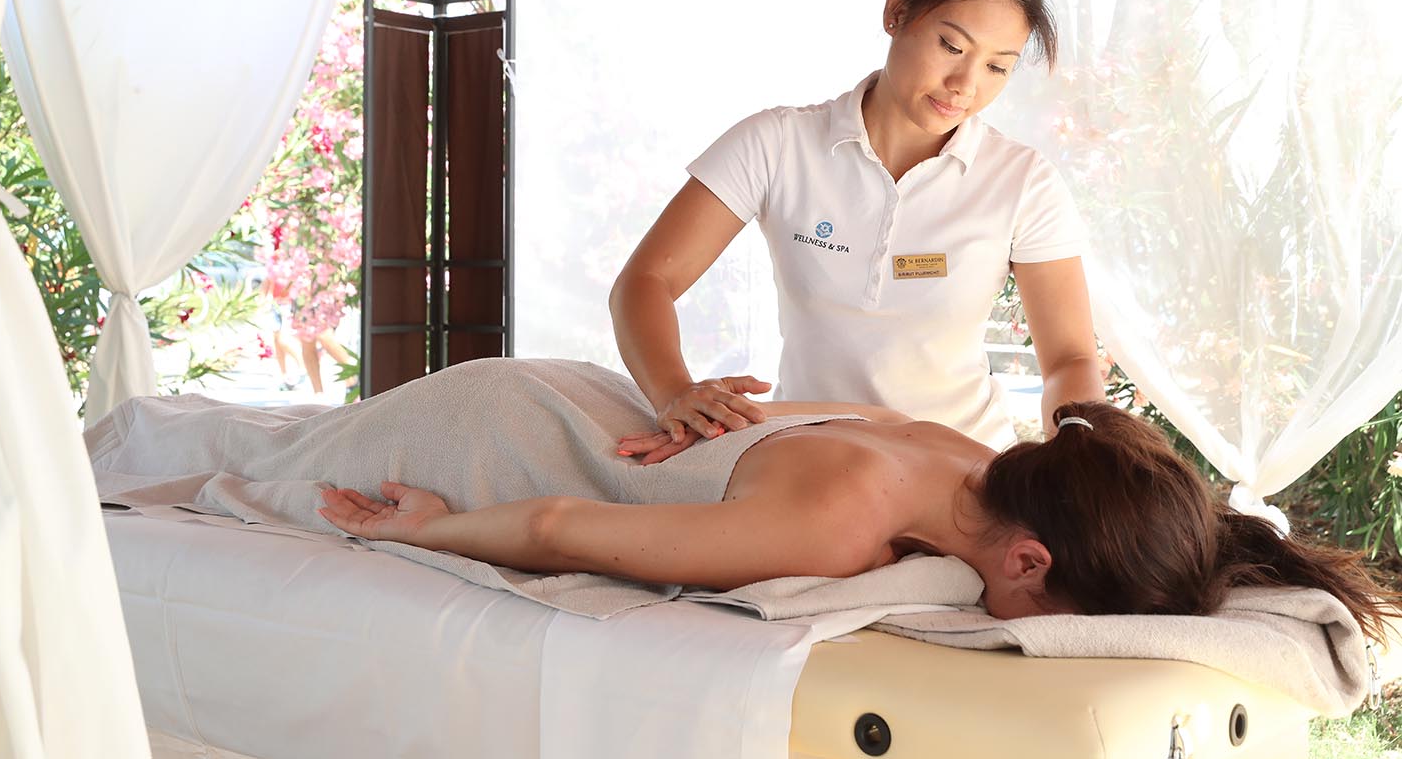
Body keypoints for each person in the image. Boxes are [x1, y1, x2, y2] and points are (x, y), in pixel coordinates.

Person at [316, 365, 1394, 640]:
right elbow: (556, 528)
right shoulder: (837, 529)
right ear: (1027, 561)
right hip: (495, 442)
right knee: (262, 459)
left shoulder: (966, 455)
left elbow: (806, 413)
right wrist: (431, 525)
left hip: (573, 390)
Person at [609, 0, 1103, 459]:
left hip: (964, 468)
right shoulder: (777, 144)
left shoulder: (1023, 182)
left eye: (997, 67)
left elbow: (1069, 359)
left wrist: (1079, 452)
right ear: (896, 11)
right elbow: (645, 281)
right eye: (951, 46)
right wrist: (674, 392)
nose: (965, 84)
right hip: (809, 462)